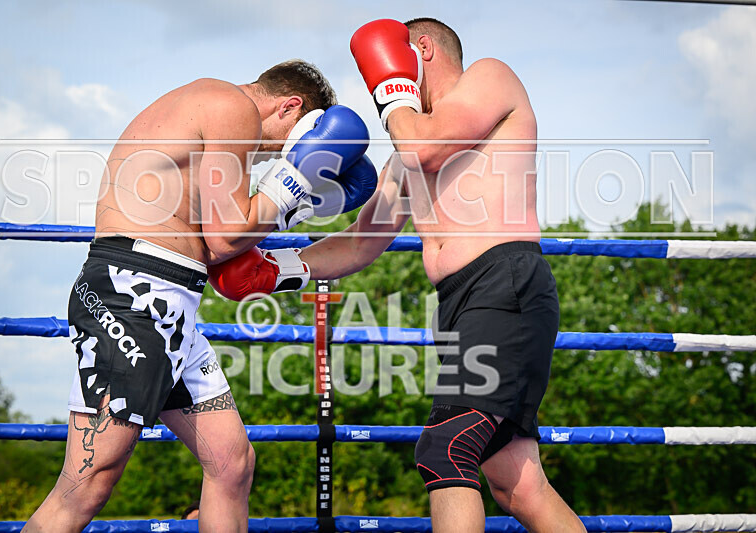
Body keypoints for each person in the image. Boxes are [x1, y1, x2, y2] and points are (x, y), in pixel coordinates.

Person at [211, 20, 586, 533]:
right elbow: (363, 241)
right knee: (515, 484)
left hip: (504, 284)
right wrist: (279, 269)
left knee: (445, 448)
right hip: (464, 301)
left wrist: (394, 93)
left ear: (421, 50)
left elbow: (425, 148)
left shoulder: (489, 78)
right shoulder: (409, 146)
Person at [23, 60, 376, 533]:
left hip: (168, 302)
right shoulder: (233, 107)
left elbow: (213, 244)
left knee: (232, 464)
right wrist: (295, 182)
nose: (273, 156)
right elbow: (231, 237)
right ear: (291, 107)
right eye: (288, 143)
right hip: (138, 294)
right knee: (86, 483)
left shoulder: (204, 109)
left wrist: (296, 207)